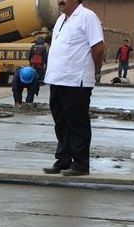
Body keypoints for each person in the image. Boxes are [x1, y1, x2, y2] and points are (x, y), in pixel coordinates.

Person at [42, 0, 105, 176]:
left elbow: (98, 48)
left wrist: (94, 70)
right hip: (57, 79)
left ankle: (80, 164)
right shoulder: (61, 19)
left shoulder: (87, 17)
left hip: (77, 80)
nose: (60, 1)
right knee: (61, 121)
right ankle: (63, 160)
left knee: (77, 123)